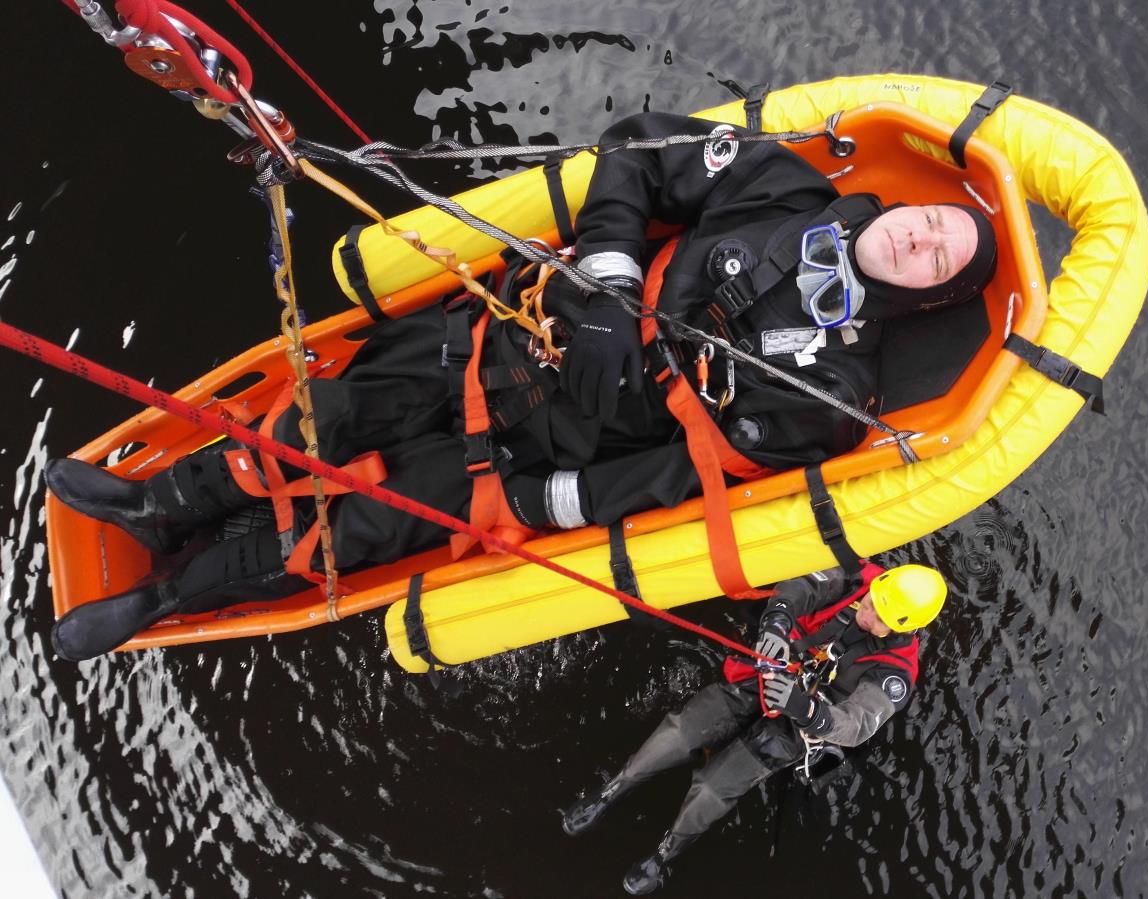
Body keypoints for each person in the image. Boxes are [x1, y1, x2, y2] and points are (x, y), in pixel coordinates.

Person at [45, 111, 998, 661]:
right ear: (908, 203)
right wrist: (612, 285)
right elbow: (635, 151)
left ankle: (169, 599)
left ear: (927, 294)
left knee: (355, 530)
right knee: (319, 415)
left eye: (937, 256)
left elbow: (692, 476)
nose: (919, 238)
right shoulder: (783, 186)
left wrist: (551, 501)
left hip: (536, 455)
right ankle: (158, 505)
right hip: (506, 337)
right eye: (931, 222)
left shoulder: (833, 390)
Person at [560, 561, 947, 894]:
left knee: (713, 787)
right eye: (871, 603)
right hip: (771, 671)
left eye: (880, 619)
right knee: (681, 732)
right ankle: (614, 789)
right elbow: (800, 588)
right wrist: (777, 623)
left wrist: (806, 710)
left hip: (804, 718)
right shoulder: (858, 578)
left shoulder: (895, 674)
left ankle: (666, 851)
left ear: (905, 628)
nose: (867, 614)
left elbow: (858, 723)